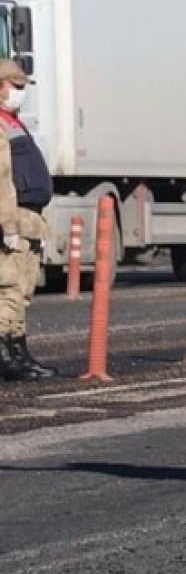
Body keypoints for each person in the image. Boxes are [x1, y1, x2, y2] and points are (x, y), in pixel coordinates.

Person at [0, 58, 55, 382]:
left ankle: (19, 351)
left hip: (29, 218)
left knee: (22, 291)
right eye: (16, 86)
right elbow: (2, 180)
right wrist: (7, 226)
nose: (21, 93)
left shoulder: (14, 122)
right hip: (15, 218)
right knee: (8, 290)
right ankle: (7, 356)